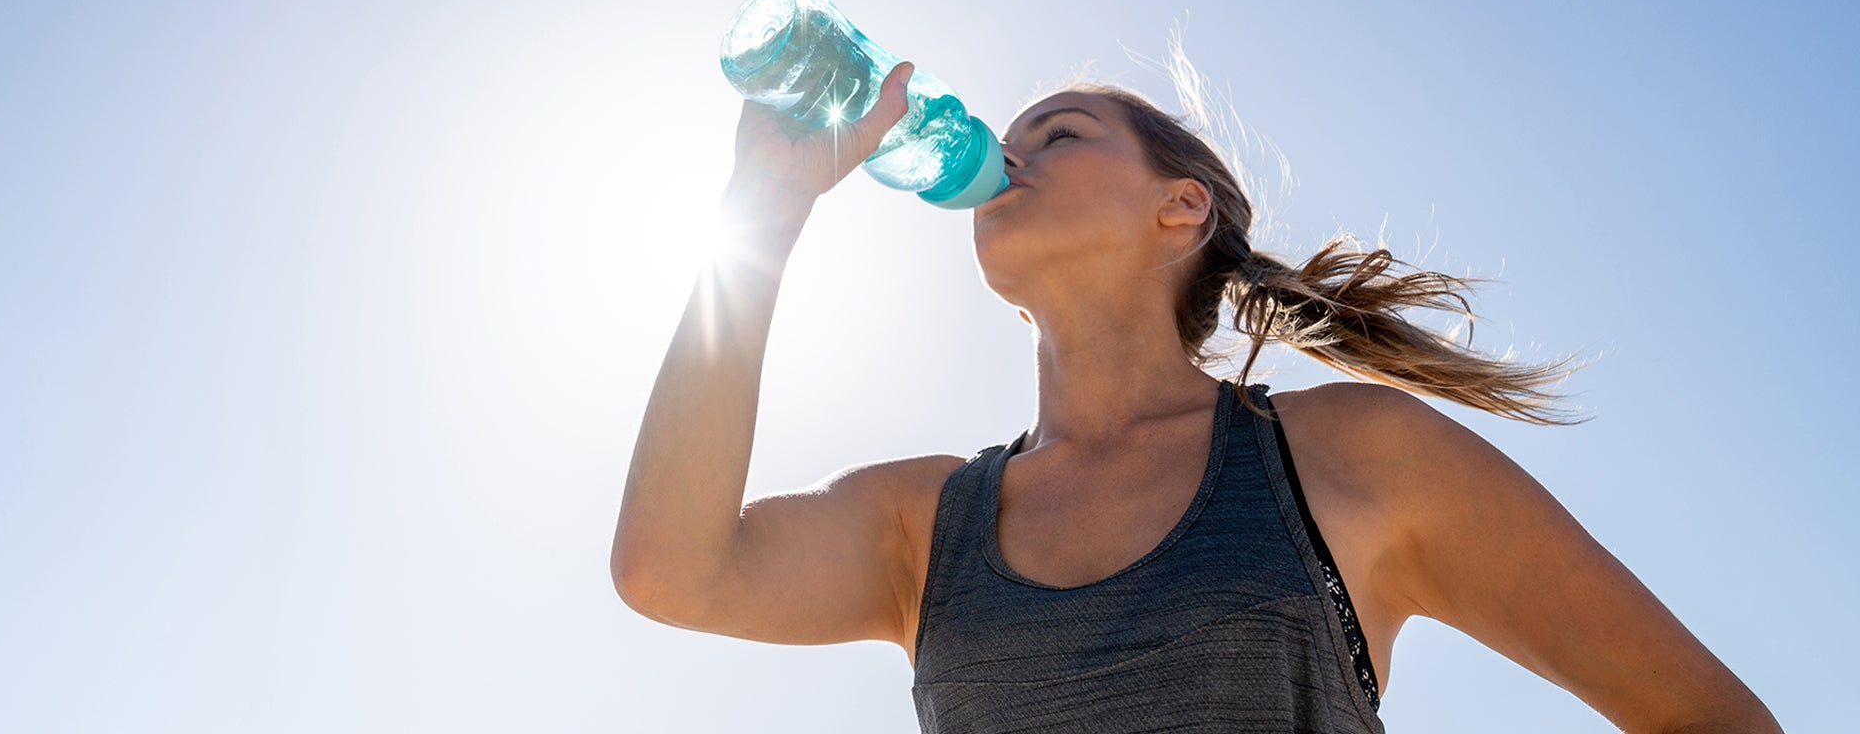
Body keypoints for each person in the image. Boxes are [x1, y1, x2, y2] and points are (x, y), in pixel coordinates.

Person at [612, 59, 1782, 733]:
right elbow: (671, 570)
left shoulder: (1347, 455)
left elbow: (1711, 720)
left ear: (1179, 207)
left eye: (1056, 135)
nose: (1005, 156)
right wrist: (763, 206)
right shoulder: (923, 523)